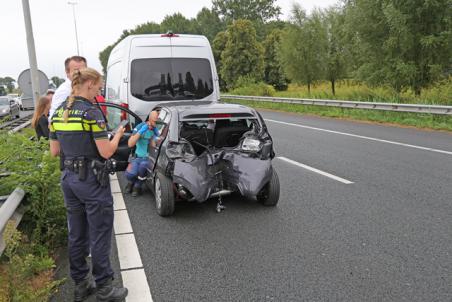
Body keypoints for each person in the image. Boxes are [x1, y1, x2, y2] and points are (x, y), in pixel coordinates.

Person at [49, 67, 128, 302]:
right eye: (99, 85)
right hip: (91, 181)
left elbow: (54, 152)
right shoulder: (91, 114)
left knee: (77, 234)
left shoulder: (58, 113)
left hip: (69, 181)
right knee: (100, 234)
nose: (100, 89)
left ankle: (81, 284)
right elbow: (106, 152)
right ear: (90, 84)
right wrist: (118, 134)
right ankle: (104, 287)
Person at [125, 110, 160, 197]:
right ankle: (131, 181)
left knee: (143, 165)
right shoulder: (141, 126)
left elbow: (154, 145)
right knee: (130, 174)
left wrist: (155, 137)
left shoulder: (157, 128)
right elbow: (130, 143)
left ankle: (138, 186)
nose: (157, 123)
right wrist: (140, 132)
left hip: (149, 158)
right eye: (156, 121)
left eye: (158, 120)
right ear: (150, 119)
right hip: (138, 157)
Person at [48, 55, 87, 121]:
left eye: (84, 70)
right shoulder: (64, 91)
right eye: (76, 70)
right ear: (67, 72)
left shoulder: (83, 87)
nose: (80, 73)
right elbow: (53, 117)